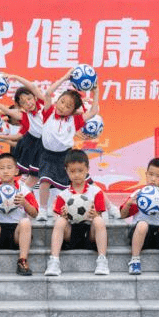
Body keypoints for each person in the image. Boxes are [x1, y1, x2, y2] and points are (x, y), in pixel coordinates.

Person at [35, 79, 99, 220]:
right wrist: (65, 77)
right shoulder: (48, 112)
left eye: (68, 106)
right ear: (57, 101)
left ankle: (107, 207)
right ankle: (43, 210)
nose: (63, 106)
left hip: (66, 156)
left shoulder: (75, 120)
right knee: (44, 182)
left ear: (73, 111)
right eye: (62, 101)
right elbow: (48, 93)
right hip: (47, 155)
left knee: (83, 182)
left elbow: (94, 111)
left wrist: (96, 91)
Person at [45, 150, 109, 276]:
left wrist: (95, 215)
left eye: (80, 171)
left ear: (87, 170)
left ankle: (102, 260)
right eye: (72, 171)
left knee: (99, 221)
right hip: (71, 233)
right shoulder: (63, 195)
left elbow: (103, 217)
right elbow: (55, 218)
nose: (77, 175)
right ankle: (54, 261)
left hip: (89, 233)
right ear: (66, 171)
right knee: (60, 221)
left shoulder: (96, 192)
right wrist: (62, 216)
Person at [121, 157, 159, 275]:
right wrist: (129, 204)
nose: (153, 179)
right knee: (142, 224)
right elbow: (123, 215)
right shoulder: (138, 195)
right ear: (146, 174)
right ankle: (135, 260)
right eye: (150, 174)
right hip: (141, 236)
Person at [0, 152, 39, 276]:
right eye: (2, 168)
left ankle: (22, 260)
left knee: (26, 222)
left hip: (17, 233)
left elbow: (34, 213)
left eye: (9, 168)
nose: (5, 171)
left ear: (16, 171)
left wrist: (25, 203)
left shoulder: (24, 190)